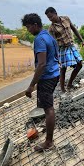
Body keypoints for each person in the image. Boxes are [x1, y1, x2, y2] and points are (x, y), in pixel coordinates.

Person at [21, 13, 60, 152]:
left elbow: (41, 64)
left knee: (49, 109)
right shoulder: (48, 35)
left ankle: (49, 142)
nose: (28, 30)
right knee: (47, 106)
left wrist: (31, 85)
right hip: (55, 74)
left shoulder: (39, 39)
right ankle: (48, 130)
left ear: (35, 25)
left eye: (28, 27)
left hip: (47, 77)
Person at [45, 7, 84, 92]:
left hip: (71, 46)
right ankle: (63, 90)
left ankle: (70, 84)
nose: (50, 19)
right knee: (63, 69)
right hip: (62, 49)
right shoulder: (51, 29)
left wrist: (82, 40)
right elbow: (53, 44)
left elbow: (74, 29)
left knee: (79, 64)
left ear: (56, 13)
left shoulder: (66, 18)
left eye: (51, 17)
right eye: (48, 18)